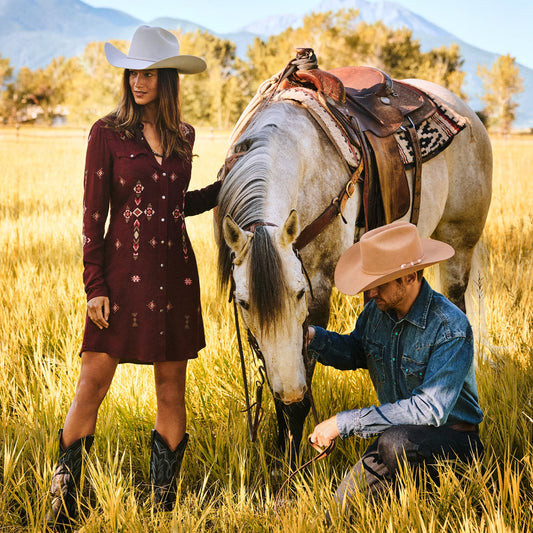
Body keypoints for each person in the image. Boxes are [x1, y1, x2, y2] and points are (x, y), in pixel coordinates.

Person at [46, 25, 221, 526]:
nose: (137, 81)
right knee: (91, 387)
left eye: (147, 73)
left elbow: (174, 204)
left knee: (171, 392)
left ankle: (160, 508)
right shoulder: (107, 133)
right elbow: (91, 216)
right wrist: (93, 286)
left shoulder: (184, 136)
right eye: (132, 72)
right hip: (120, 283)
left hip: (174, 280)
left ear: (167, 79)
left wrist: (220, 188)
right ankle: (64, 509)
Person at [307, 220, 484, 514]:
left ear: (410, 277)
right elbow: (355, 352)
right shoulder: (376, 313)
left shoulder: (450, 327)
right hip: (397, 438)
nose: (371, 292)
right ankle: (396, 494)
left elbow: (428, 410)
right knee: (337, 515)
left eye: (380, 283)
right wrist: (313, 337)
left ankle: (431, 503)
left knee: (394, 442)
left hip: (452, 441)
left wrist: (343, 423)